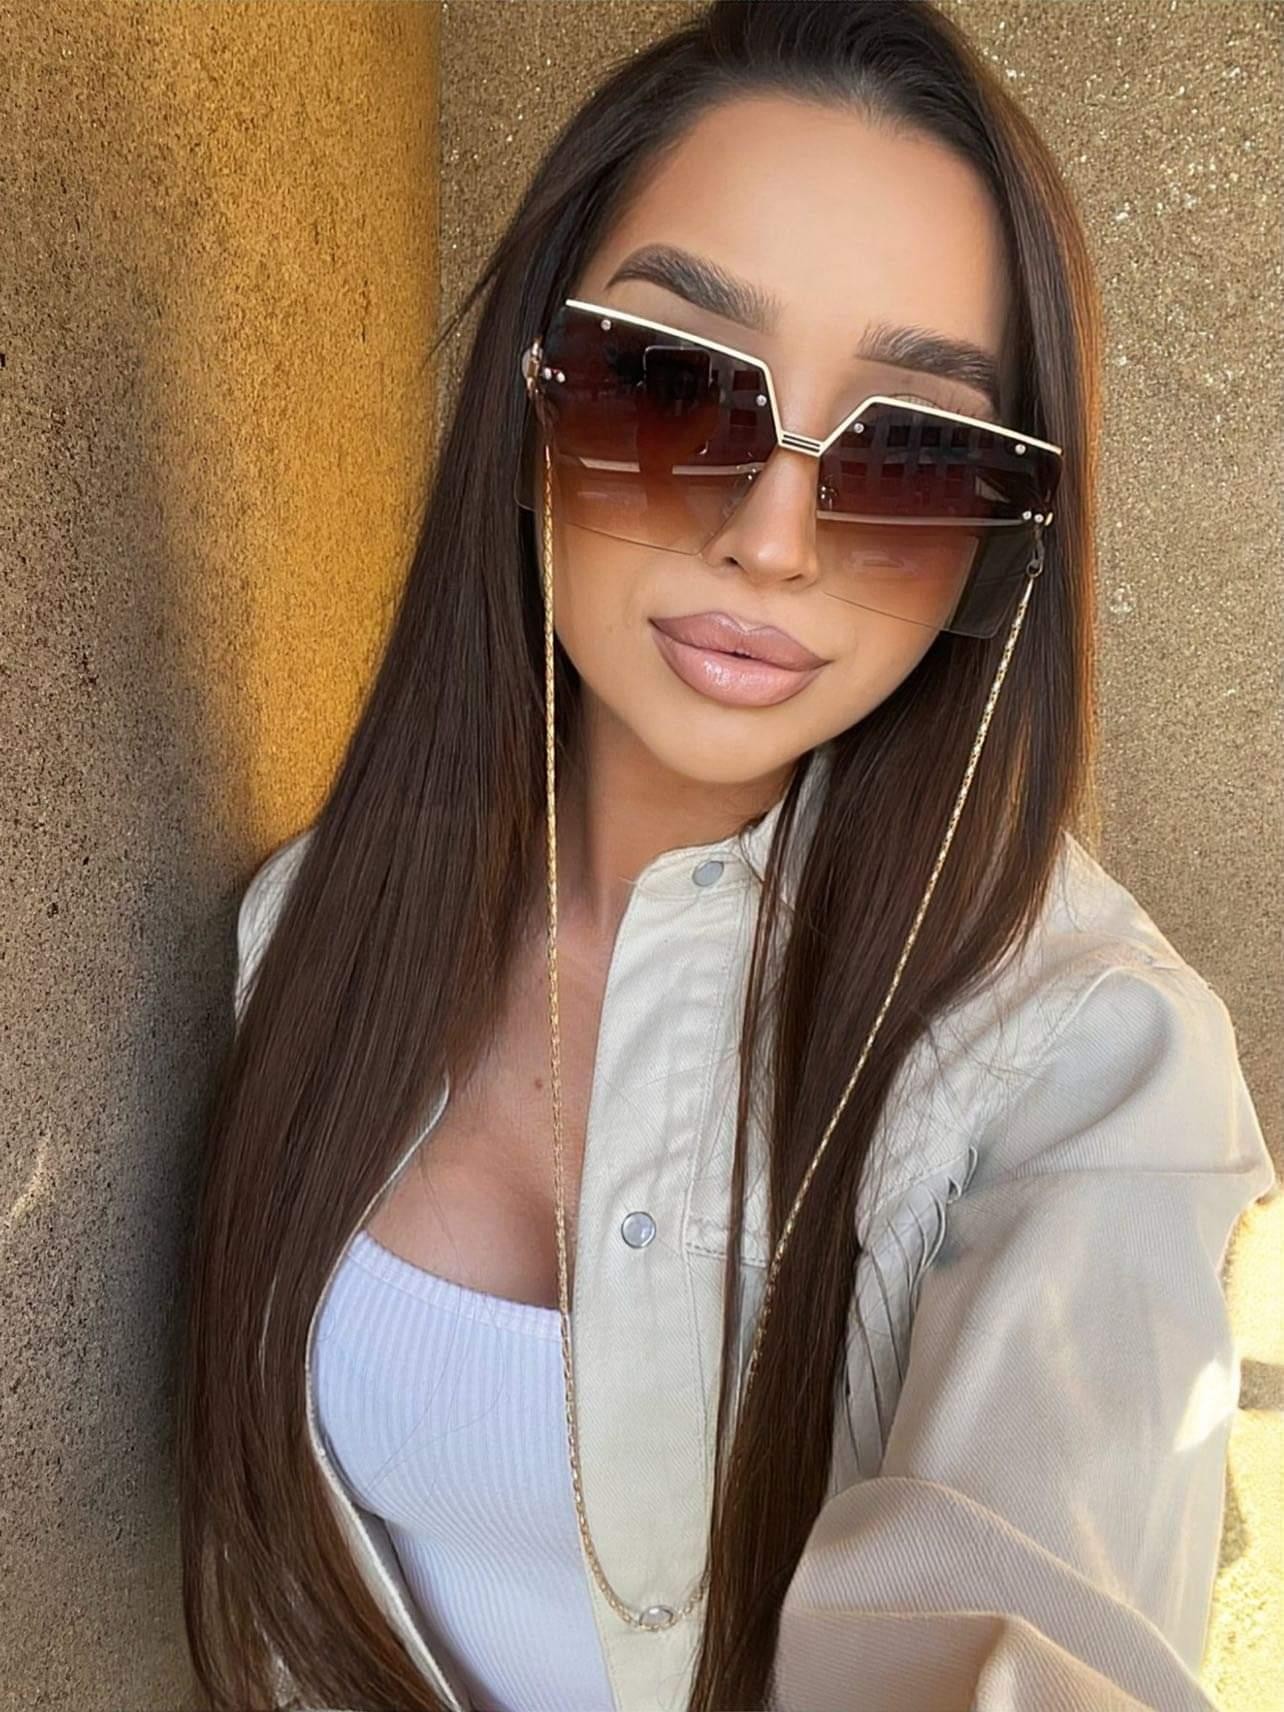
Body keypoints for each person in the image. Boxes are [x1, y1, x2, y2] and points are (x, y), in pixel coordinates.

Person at [177, 4, 1276, 1710]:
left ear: (999, 541)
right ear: (530, 398)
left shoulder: (1087, 1067)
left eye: (913, 454)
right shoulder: (309, 926)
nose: (772, 537)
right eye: (671, 387)